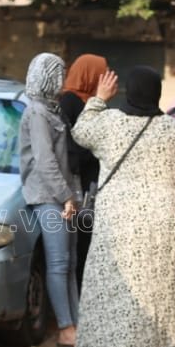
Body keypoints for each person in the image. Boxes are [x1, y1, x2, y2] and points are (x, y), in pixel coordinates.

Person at [73, 66, 175, 347]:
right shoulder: (173, 130)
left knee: (115, 285)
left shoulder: (110, 122)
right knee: (156, 289)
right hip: (162, 220)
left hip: (117, 220)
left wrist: (99, 99)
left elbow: (80, 131)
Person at [19, 53, 82, 347]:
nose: (63, 79)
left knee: (69, 263)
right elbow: (45, 162)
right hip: (48, 196)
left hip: (63, 195)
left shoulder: (52, 110)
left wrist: (71, 195)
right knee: (58, 263)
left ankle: (77, 324)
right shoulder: (37, 113)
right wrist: (65, 196)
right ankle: (66, 329)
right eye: (59, 73)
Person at [60, 54, 107, 289]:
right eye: (102, 74)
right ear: (89, 76)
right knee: (81, 245)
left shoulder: (95, 103)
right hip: (79, 187)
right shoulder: (69, 102)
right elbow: (71, 146)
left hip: (91, 185)